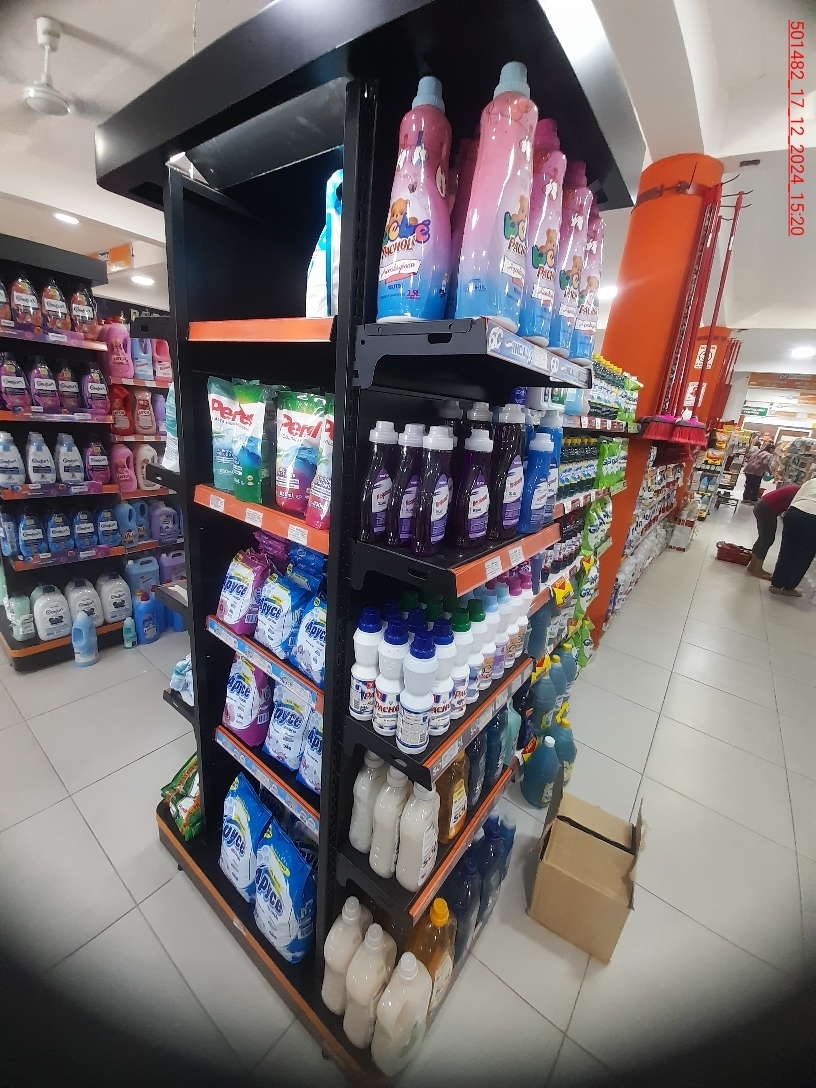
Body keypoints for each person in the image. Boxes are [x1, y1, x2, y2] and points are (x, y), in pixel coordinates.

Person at [769, 477, 816, 596]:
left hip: (796, 511)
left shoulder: (812, 481)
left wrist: (789, 512)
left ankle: (776, 585)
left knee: (787, 549)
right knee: (805, 554)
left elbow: (797, 496)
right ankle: (789, 587)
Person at [746, 483, 800, 578]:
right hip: (767, 509)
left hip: (762, 505)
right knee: (768, 539)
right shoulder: (799, 493)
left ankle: (752, 566)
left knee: (763, 538)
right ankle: (757, 570)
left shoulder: (798, 489)